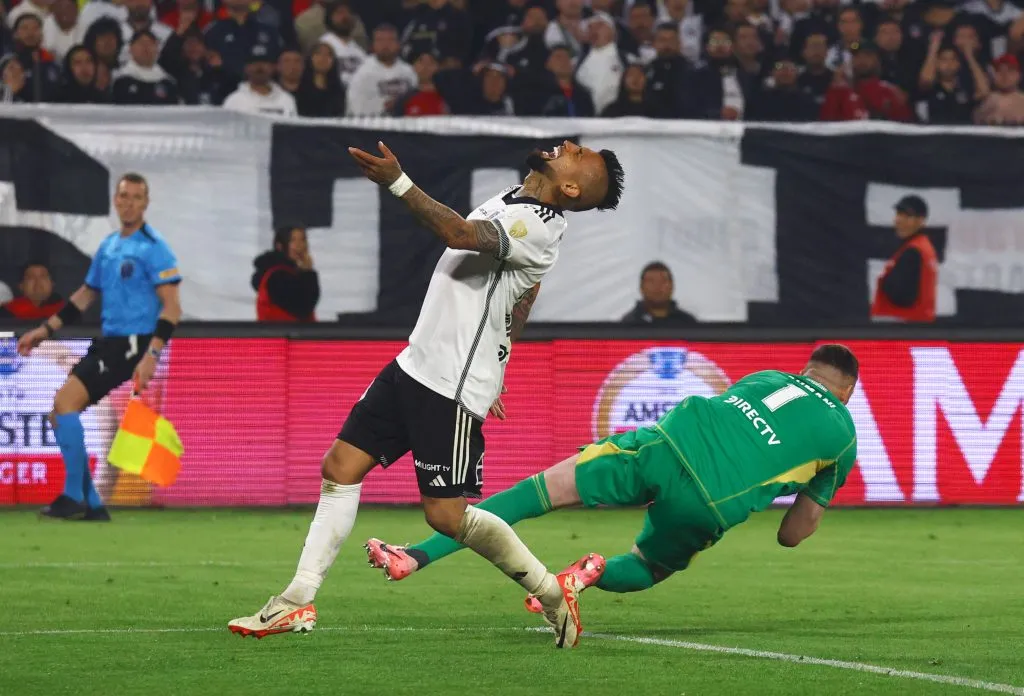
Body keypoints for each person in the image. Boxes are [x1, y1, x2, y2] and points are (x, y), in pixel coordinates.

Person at [228, 139, 625, 650]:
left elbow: (457, 233)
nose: (568, 145)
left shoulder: (538, 224)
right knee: (339, 468)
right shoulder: (517, 197)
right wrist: (504, 360)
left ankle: (551, 593)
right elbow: (523, 297)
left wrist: (397, 181)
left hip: (451, 384)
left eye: (578, 154)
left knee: (445, 516)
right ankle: (296, 600)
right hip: (414, 364)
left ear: (570, 187)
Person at [366, 345, 859, 618]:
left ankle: (415, 556)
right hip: (709, 502)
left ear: (806, 370)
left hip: (662, 446)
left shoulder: (767, 376)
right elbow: (792, 534)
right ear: (848, 390)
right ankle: (588, 573)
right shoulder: (842, 436)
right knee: (649, 566)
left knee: (535, 493)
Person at [16, 173, 183, 522]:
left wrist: (151, 355)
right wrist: (44, 330)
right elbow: (85, 295)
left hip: (133, 344)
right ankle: (92, 503)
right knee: (57, 414)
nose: (130, 203)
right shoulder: (108, 246)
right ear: (116, 201)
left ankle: (74, 495)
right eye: (124, 196)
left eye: (137, 197)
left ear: (146, 203)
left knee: (64, 405)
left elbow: (172, 307)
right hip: (108, 343)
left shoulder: (155, 248)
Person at [870, 195, 938, 323]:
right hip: (915, 326)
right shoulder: (924, 247)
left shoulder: (913, 251)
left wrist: (885, 283)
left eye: (908, 216)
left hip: (902, 328)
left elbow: (903, 297)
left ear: (921, 221)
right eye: (898, 214)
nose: (899, 220)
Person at [251, 226, 320, 322]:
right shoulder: (277, 276)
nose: (299, 245)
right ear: (280, 246)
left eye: (303, 240)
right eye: (293, 240)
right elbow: (303, 307)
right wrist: (308, 273)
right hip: (280, 334)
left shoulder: (292, 273)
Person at [222, 42, 296, 116]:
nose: (259, 67)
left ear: (273, 67)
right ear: (246, 68)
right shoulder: (234, 101)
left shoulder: (286, 100)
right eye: (254, 62)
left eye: (264, 62)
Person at [621, 261, 697, 325]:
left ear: (672, 287)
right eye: (651, 281)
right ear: (641, 288)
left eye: (663, 281)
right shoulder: (629, 323)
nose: (657, 286)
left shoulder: (687, 322)